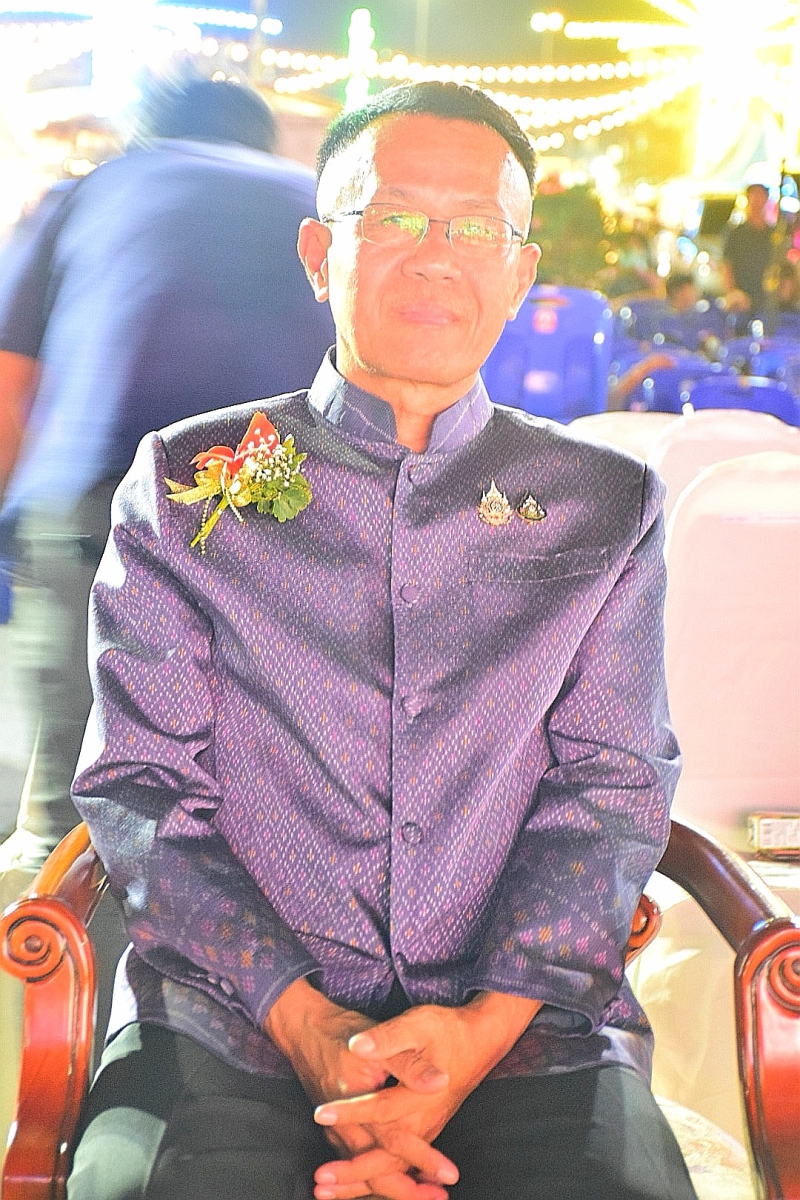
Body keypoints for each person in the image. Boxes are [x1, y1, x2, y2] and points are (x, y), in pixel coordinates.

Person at [67, 82, 693, 1200]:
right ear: (320, 254)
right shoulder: (185, 479)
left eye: (475, 228)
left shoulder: (603, 504)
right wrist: (311, 1027)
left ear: (521, 271)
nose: (435, 256)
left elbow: (609, 789)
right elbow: (141, 786)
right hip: (233, 1014)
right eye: (395, 217)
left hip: (523, 1027)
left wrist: (474, 1037)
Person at [0, 76, 334, 873]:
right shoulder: (314, 206)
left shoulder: (97, 188)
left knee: (76, 791)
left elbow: (11, 382)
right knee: (248, 786)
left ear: (148, 137)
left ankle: (56, 905)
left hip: (97, 498)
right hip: (272, 508)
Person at [721, 183, 774, 326]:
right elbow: (726, 264)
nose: (757, 200)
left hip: (767, 298)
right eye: (753, 196)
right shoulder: (736, 233)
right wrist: (732, 293)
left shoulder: (773, 234)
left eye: (760, 196)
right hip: (742, 298)